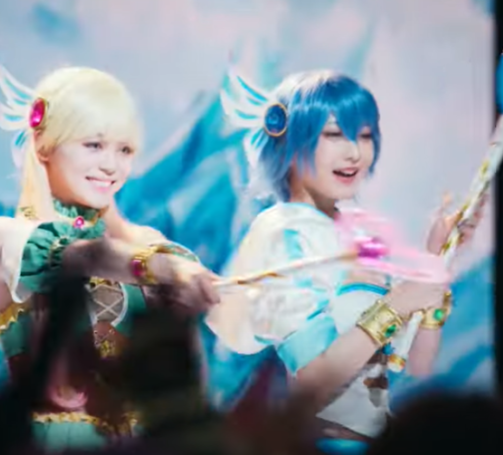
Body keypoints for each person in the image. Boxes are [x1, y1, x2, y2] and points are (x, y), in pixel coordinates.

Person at [203, 69, 487, 455]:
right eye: (336, 135)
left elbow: (415, 364)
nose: (355, 152)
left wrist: (439, 258)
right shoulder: (285, 233)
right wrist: (398, 303)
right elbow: (313, 381)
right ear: (292, 143)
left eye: (365, 136)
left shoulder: (362, 233)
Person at [0, 64, 220, 451]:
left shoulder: (152, 245)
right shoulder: (0, 237)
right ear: (44, 144)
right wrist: (161, 269)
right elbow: (85, 257)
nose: (111, 166)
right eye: (94, 145)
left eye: (124, 150)